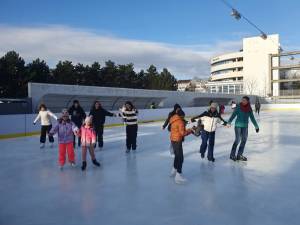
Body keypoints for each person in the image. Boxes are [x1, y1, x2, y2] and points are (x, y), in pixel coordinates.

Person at [228, 96, 259, 161]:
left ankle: (239, 155)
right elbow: (233, 115)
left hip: (245, 126)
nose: (243, 101)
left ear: (247, 101)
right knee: (237, 140)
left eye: (244, 100)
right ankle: (232, 155)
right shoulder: (238, 107)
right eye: (242, 100)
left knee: (244, 140)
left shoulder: (249, 109)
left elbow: (252, 118)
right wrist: (229, 122)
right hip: (238, 126)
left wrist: (256, 126)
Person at [169, 108, 193, 184]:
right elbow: (183, 133)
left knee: (177, 156)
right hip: (177, 140)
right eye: (183, 116)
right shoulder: (180, 122)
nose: (184, 118)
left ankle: (174, 169)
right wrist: (190, 130)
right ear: (181, 115)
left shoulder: (173, 118)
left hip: (173, 140)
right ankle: (178, 176)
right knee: (180, 158)